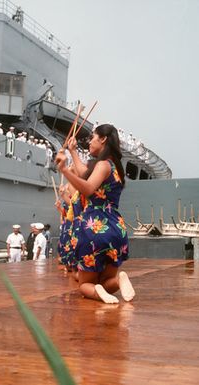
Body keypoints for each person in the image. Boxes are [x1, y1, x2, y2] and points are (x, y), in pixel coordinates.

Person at [55, 124, 135, 304]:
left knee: (84, 285)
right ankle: (118, 280)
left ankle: (96, 291)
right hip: (116, 228)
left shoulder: (103, 164)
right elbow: (86, 175)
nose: (89, 141)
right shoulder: (115, 168)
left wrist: (65, 170)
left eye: (92, 137)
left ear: (103, 139)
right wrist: (73, 151)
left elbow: (89, 188)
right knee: (107, 281)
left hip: (94, 227)